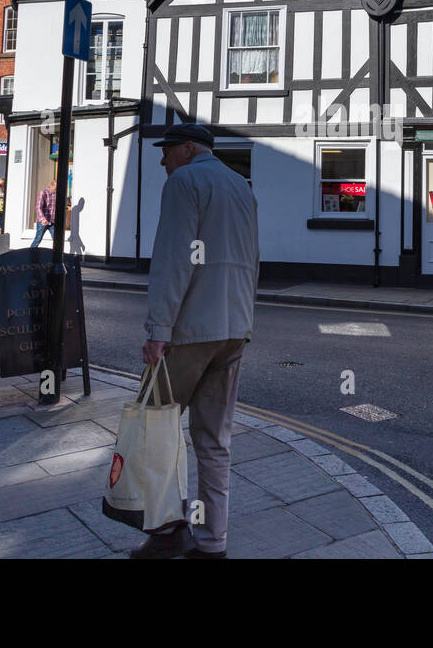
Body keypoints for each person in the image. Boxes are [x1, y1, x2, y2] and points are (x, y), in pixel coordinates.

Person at [130, 123, 260, 559]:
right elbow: (251, 259)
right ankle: (212, 541)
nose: (162, 159)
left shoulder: (185, 182)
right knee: (214, 440)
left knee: (157, 429)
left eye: (166, 150)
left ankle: (168, 530)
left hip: (189, 332)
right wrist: (244, 321)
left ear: (188, 149)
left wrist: (157, 332)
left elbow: (174, 260)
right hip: (233, 329)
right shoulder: (241, 186)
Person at [30, 178, 56, 248]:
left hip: (52, 222)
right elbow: (38, 207)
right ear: (51, 186)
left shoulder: (56, 194)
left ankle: (56, 257)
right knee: (38, 239)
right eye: (55, 188)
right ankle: (30, 254)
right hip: (43, 222)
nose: (56, 190)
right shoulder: (43, 193)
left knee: (57, 240)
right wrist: (42, 219)